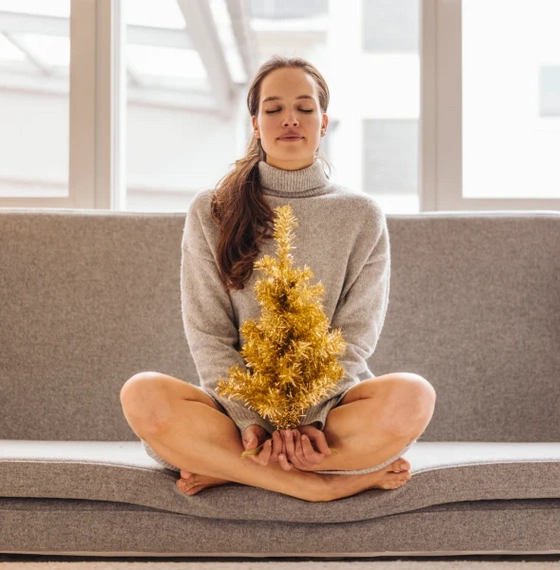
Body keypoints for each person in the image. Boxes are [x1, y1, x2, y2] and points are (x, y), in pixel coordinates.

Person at [119, 56, 436, 503]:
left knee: (413, 396)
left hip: (328, 415)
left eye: (305, 108)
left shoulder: (361, 215)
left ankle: (234, 469)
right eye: (273, 109)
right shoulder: (212, 210)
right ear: (255, 123)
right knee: (142, 395)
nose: (290, 119)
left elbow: (355, 335)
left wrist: (311, 421)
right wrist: (249, 419)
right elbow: (208, 332)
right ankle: (318, 484)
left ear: (323, 123)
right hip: (235, 417)